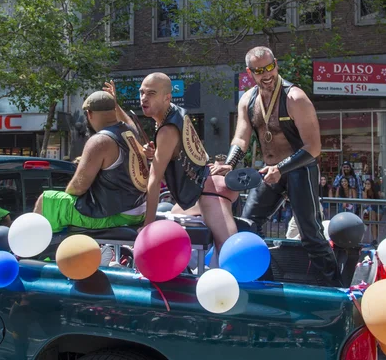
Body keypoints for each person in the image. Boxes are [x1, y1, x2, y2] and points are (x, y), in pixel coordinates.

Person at [214, 45, 340, 286]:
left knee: (310, 233)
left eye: (270, 67)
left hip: (298, 169)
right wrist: (230, 163)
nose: (266, 74)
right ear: (250, 72)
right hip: (268, 171)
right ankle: (266, 283)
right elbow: (241, 136)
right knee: (246, 226)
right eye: (259, 70)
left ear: (276, 64)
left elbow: (313, 147)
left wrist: (281, 169)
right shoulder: (248, 99)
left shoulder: (295, 97)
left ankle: (336, 291)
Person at [119, 73, 238, 263]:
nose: (143, 98)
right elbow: (178, 154)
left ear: (167, 97)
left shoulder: (167, 129)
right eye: (142, 92)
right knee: (173, 216)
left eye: (151, 93)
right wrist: (157, 152)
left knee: (232, 257)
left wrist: (147, 227)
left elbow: (154, 179)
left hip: (210, 193)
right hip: (205, 189)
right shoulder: (174, 113)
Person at [34, 91, 149, 233]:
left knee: (47, 200)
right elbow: (129, 121)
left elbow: (78, 187)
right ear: (114, 110)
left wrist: (67, 195)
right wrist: (115, 102)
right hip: (138, 212)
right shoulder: (131, 132)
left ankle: (39, 252)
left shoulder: (99, 141)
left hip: (114, 215)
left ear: (89, 114)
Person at [362, 179, 383, 245]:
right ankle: (374, 239)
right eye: (366, 184)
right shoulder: (364, 190)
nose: (367, 185)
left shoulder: (376, 189)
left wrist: (381, 194)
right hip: (370, 207)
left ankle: (375, 239)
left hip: (378, 207)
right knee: (373, 221)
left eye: (369, 184)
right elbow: (365, 200)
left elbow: (380, 197)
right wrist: (366, 190)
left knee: (376, 223)